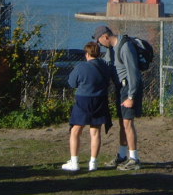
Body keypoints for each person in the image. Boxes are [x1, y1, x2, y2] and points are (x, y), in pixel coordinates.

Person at [92, 25, 143, 170]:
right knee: (122, 123)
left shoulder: (125, 47)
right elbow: (107, 65)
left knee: (128, 123)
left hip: (128, 88)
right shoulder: (111, 49)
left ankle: (134, 159)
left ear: (106, 37)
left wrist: (131, 96)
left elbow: (133, 73)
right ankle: (122, 155)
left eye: (99, 41)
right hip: (120, 88)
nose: (99, 45)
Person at [61, 41, 113, 172]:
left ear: (87, 54)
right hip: (100, 99)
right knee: (95, 132)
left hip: (83, 100)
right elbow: (108, 82)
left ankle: (74, 162)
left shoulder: (81, 67)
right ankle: (93, 163)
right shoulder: (105, 66)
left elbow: (72, 83)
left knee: (75, 130)